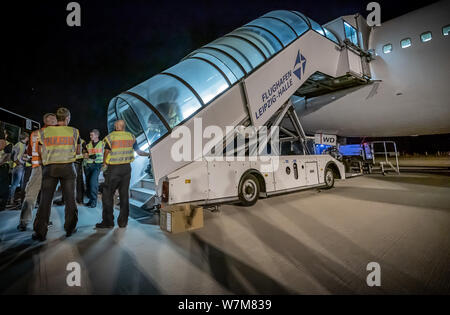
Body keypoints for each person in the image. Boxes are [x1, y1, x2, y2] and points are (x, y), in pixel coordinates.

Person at [32, 107, 81, 241]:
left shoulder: (45, 132)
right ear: (67, 118)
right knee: (70, 199)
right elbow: (78, 151)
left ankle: (40, 232)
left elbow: (41, 150)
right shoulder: (74, 131)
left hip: (50, 168)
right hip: (68, 168)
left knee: (45, 200)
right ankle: (70, 228)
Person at [95, 120, 149, 229]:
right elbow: (139, 152)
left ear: (116, 126)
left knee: (107, 195)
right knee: (124, 195)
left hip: (113, 169)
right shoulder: (131, 137)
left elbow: (106, 152)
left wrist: (104, 164)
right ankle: (123, 222)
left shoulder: (111, 137)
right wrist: (149, 154)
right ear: (124, 126)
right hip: (126, 169)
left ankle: (108, 222)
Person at [17, 113, 57, 231]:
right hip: (50, 168)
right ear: (52, 122)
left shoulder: (34, 134)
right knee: (47, 196)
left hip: (36, 167)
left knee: (30, 195)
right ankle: (45, 220)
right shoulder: (55, 134)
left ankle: (23, 222)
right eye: (55, 120)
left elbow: (29, 152)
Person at [8, 132, 29, 207]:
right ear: (25, 137)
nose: (28, 138)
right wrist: (19, 163)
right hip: (18, 167)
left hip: (21, 167)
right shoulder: (18, 144)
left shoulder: (23, 145)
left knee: (21, 184)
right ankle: (10, 200)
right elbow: (13, 156)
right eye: (27, 137)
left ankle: (17, 199)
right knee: (14, 184)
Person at [84, 129, 104, 208]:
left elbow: (105, 154)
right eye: (90, 135)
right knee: (88, 184)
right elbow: (85, 155)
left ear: (97, 135)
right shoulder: (88, 144)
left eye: (92, 135)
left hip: (97, 165)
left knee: (93, 183)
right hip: (88, 165)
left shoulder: (102, 144)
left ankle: (94, 202)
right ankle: (90, 201)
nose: (90, 136)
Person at [0, 127, 13, 211]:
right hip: (3, 166)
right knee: (3, 187)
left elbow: (7, 157)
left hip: (3, 166)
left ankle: (2, 204)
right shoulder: (7, 144)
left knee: (3, 187)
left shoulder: (8, 144)